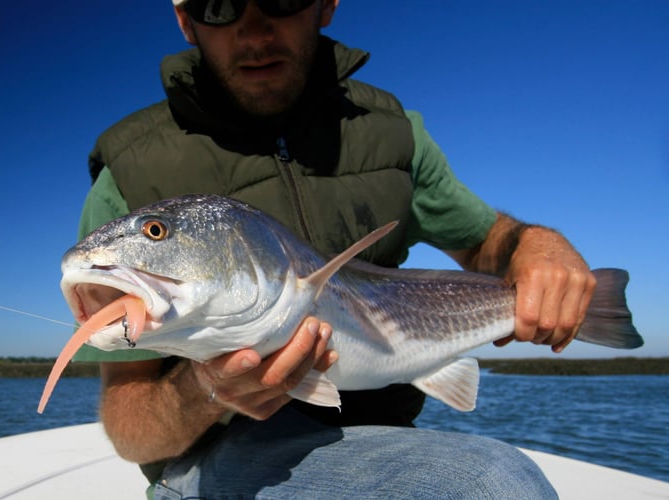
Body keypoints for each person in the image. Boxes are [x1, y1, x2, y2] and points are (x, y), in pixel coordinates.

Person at [73, 0, 596, 498]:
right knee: (492, 485)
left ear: (326, 4)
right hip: (214, 458)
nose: (254, 32)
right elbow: (131, 434)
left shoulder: (394, 135)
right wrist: (205, 389)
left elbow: (486, 241)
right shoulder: (130, 173)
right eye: (220, 5)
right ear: (187, 21)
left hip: (387, 436)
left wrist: (536, 246)